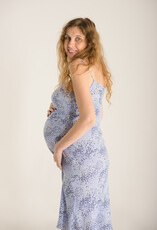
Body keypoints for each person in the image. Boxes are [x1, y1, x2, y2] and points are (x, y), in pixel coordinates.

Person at [43, 17, 113, 230]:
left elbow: (89, 118)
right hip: (90, 157)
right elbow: (97, 114)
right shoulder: (95, 66)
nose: (70, 44)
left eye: (78, 39)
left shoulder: (78, 66)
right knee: (89, 219)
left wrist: (59, 146)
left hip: (83, 160)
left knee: (81, 220)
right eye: (67, 38)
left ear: (88, 42)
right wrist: (60, 109)